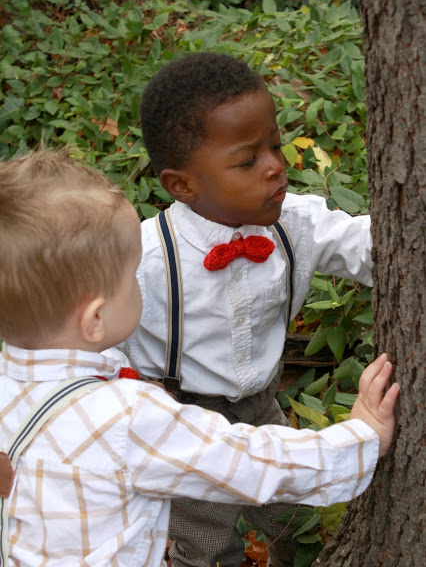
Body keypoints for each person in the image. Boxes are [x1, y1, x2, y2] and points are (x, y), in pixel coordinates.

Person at [0, 151, 399, 567]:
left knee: (286, 520)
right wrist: (361, 439)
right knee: (203, 541)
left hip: (251, 402)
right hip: (189, 408)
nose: (139, 284)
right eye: (130, 279)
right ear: (96, 318)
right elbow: (249, 462)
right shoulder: (131, 418)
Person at [124, 52, 383, 567]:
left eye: (276, 147)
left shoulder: (297, 225)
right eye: (247, 161)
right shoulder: (145, 259)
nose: (275, 167)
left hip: (263, 405)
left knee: (292, 514)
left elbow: (369, 245)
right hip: (182, 416)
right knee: (203, 536)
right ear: (182, 184)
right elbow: (93, 343)